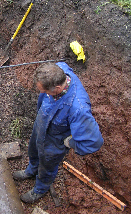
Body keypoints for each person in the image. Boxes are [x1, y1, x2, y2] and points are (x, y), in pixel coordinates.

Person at [13, 62, 103, 204]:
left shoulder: (78, 108)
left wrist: (70, 142)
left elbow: (93, 142)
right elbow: (61, 63)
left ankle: (40, 188)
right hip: (41, 124)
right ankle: (31, 170)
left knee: (47, 165)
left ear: (57, 88)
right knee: (34, 150)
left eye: (45, 92)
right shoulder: (60, 70)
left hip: (55, 141)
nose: (42, 94)